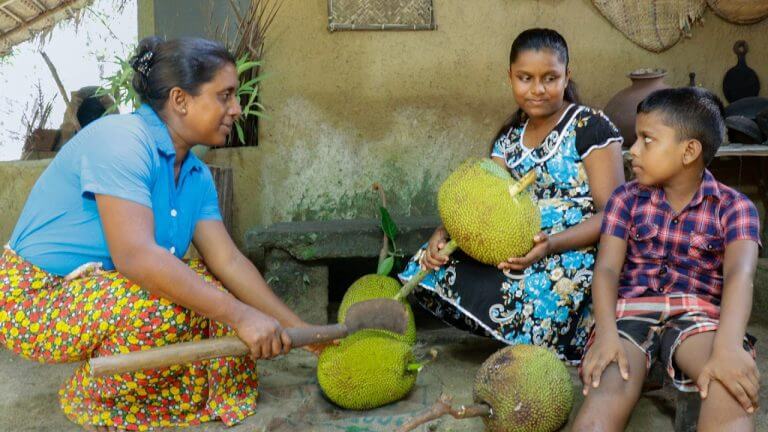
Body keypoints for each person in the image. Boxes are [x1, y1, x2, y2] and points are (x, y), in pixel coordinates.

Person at [0, 36, 320, 431]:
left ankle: (172, 396)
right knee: (165, 309)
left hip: (98, 292)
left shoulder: (196, 175)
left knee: (214, 287)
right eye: (224, 96)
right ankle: (88, 396)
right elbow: (136, 258)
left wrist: (306, 334)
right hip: (34, 301)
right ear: (180, 100)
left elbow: (229, 262)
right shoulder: (121, 141)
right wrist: (241, 315)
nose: (236, 109)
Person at [398, 28, 625, 363]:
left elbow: (615, 215)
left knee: (526, 289)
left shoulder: (589, 126)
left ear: (567, 76)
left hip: (573, 249)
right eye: (525, 78)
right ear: (510, 77)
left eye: (550, 78)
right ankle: (512, 333)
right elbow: (482, 204)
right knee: (430, 262)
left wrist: (552, 243)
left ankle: (544, 337)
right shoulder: (508, 140)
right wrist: (443, 234)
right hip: (517, 244)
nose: (537, 89)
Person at [573, 87, 761, 432]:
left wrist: (731, 345)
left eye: (647, 140)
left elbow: (739, 275)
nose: (633, 151)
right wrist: (606, 335)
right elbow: (607, 270)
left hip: (697, 315)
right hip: (630, 314)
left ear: (689, 151)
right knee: (604, 397)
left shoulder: (735, 207)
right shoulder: (625, 199)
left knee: (727, 386)